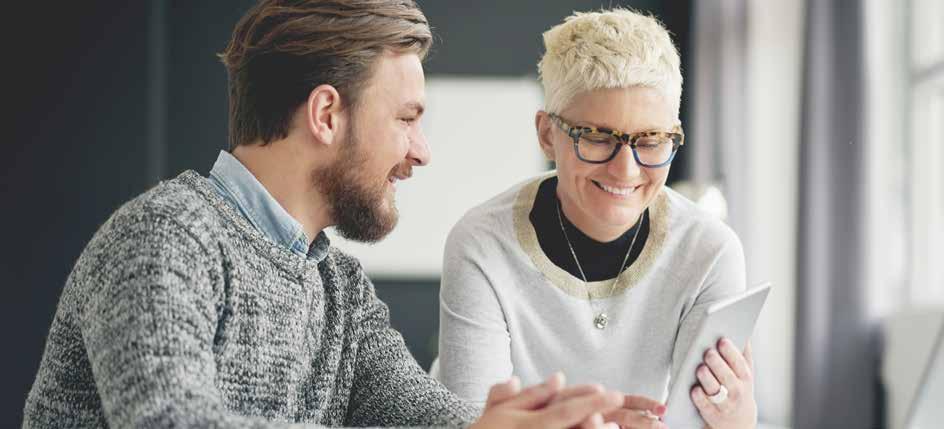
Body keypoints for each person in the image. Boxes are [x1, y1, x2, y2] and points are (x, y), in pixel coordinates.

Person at [21, 1, 636, 427]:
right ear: (325, 115)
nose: (421, 151)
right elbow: (172, 421)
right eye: (407, 118)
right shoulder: (164, 239)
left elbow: (427, 419)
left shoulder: (337, 289)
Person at [436, 8, 757, 429]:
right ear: (548, 134)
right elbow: (474, 422)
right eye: (598, 138)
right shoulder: (481, 244)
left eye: (651, 140)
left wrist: (738, 421)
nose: (625, 170)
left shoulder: (711, 251)